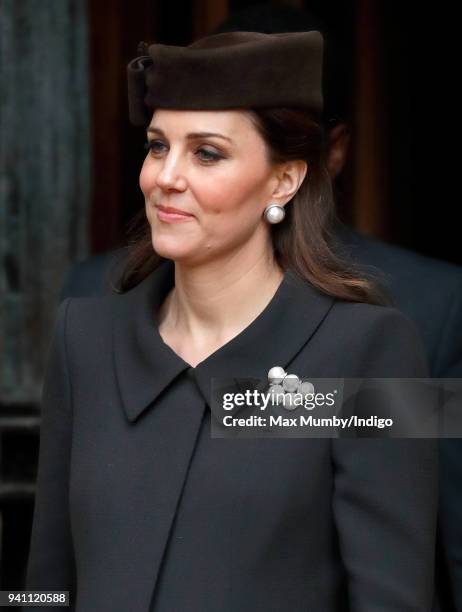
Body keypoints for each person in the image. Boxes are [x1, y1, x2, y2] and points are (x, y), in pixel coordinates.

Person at [26, 30, 437, 611]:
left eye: (207, 152)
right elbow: (44, 582)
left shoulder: (373, 349)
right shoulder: (82, 339)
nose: (165, 176)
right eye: (157, 145)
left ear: (284, 180)